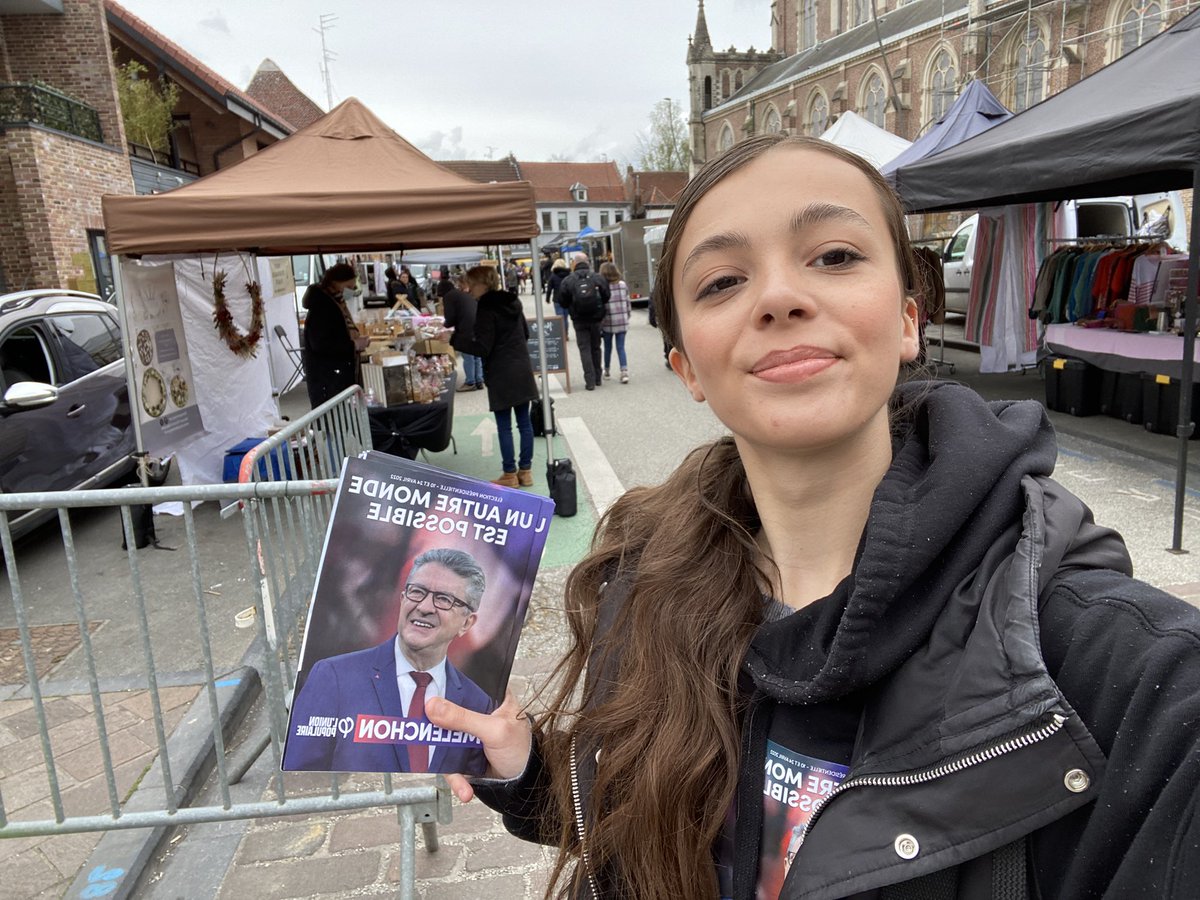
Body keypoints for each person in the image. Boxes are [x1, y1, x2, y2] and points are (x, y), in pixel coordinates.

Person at [424, 134, 1200, 899]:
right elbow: (644, 819)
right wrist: (529, 769)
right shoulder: (645, 583)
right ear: (688, 366)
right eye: (723, 281)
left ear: (906, 319)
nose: (779, 297)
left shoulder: (1117, 673)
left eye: (833, 256)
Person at [283, 548, 495, 774]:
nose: (423, 607)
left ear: (467, 623)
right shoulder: (333, 676)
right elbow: (297, 779)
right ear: (403, 599)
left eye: (443, 599)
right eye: (417, 592)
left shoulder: (478, 704)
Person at [464, 265, 539, 488]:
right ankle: (526, 472)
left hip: (500, 371)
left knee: (505, 426)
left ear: (483, 284)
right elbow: (525, 333)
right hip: (521, 366)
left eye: (471, 284)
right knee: (524, 423)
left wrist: (457, 340)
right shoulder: (513, 302)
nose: (469, 290)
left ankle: (509, 474)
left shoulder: (486, 307)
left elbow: (483, 347)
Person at [301, 262, 369, 408]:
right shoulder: (323, 306)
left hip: (334, 374)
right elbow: (321, 344)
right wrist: (354, 345)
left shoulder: (335, 302)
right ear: (336, 283)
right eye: (349, 287)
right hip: (328, 377)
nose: (351, 291)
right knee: (333, 417)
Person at [557, 251, 609, 391]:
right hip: (596, 318)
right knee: (596, 347)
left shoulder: (569, 280)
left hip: (579, 319)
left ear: (574, 262)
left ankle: (590, 380)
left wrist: (573, 306)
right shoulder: (597, 277)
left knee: (584, 348)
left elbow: (562, 301)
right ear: (587, 262)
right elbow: (606, 296)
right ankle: (598, 377)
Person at [442, 273, 485, 392]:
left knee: (468, 356)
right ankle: (479, 379)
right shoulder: (472, 294)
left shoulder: (452, 296)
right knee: (477, 356)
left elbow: (450, 317)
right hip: (478, 326)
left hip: (467, 329)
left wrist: (444, 325)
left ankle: (470, 381)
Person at [598, 261, 631, 383]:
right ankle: (624, 372)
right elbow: (627, 303)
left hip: (608, 321)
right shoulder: (622, 285)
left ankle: (606, 371)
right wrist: (627, 316)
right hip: (622, 321)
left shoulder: (603, 287)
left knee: (607, 347)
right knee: (621, 347)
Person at [547, 258, 571, 341]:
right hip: (567, 299)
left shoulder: (553, 275)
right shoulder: (568, 274)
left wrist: (547, 298)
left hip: (557, 299)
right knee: (565, 318)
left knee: (560, 318)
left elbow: (549, 288)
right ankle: (566, 334)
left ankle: (562, 334)